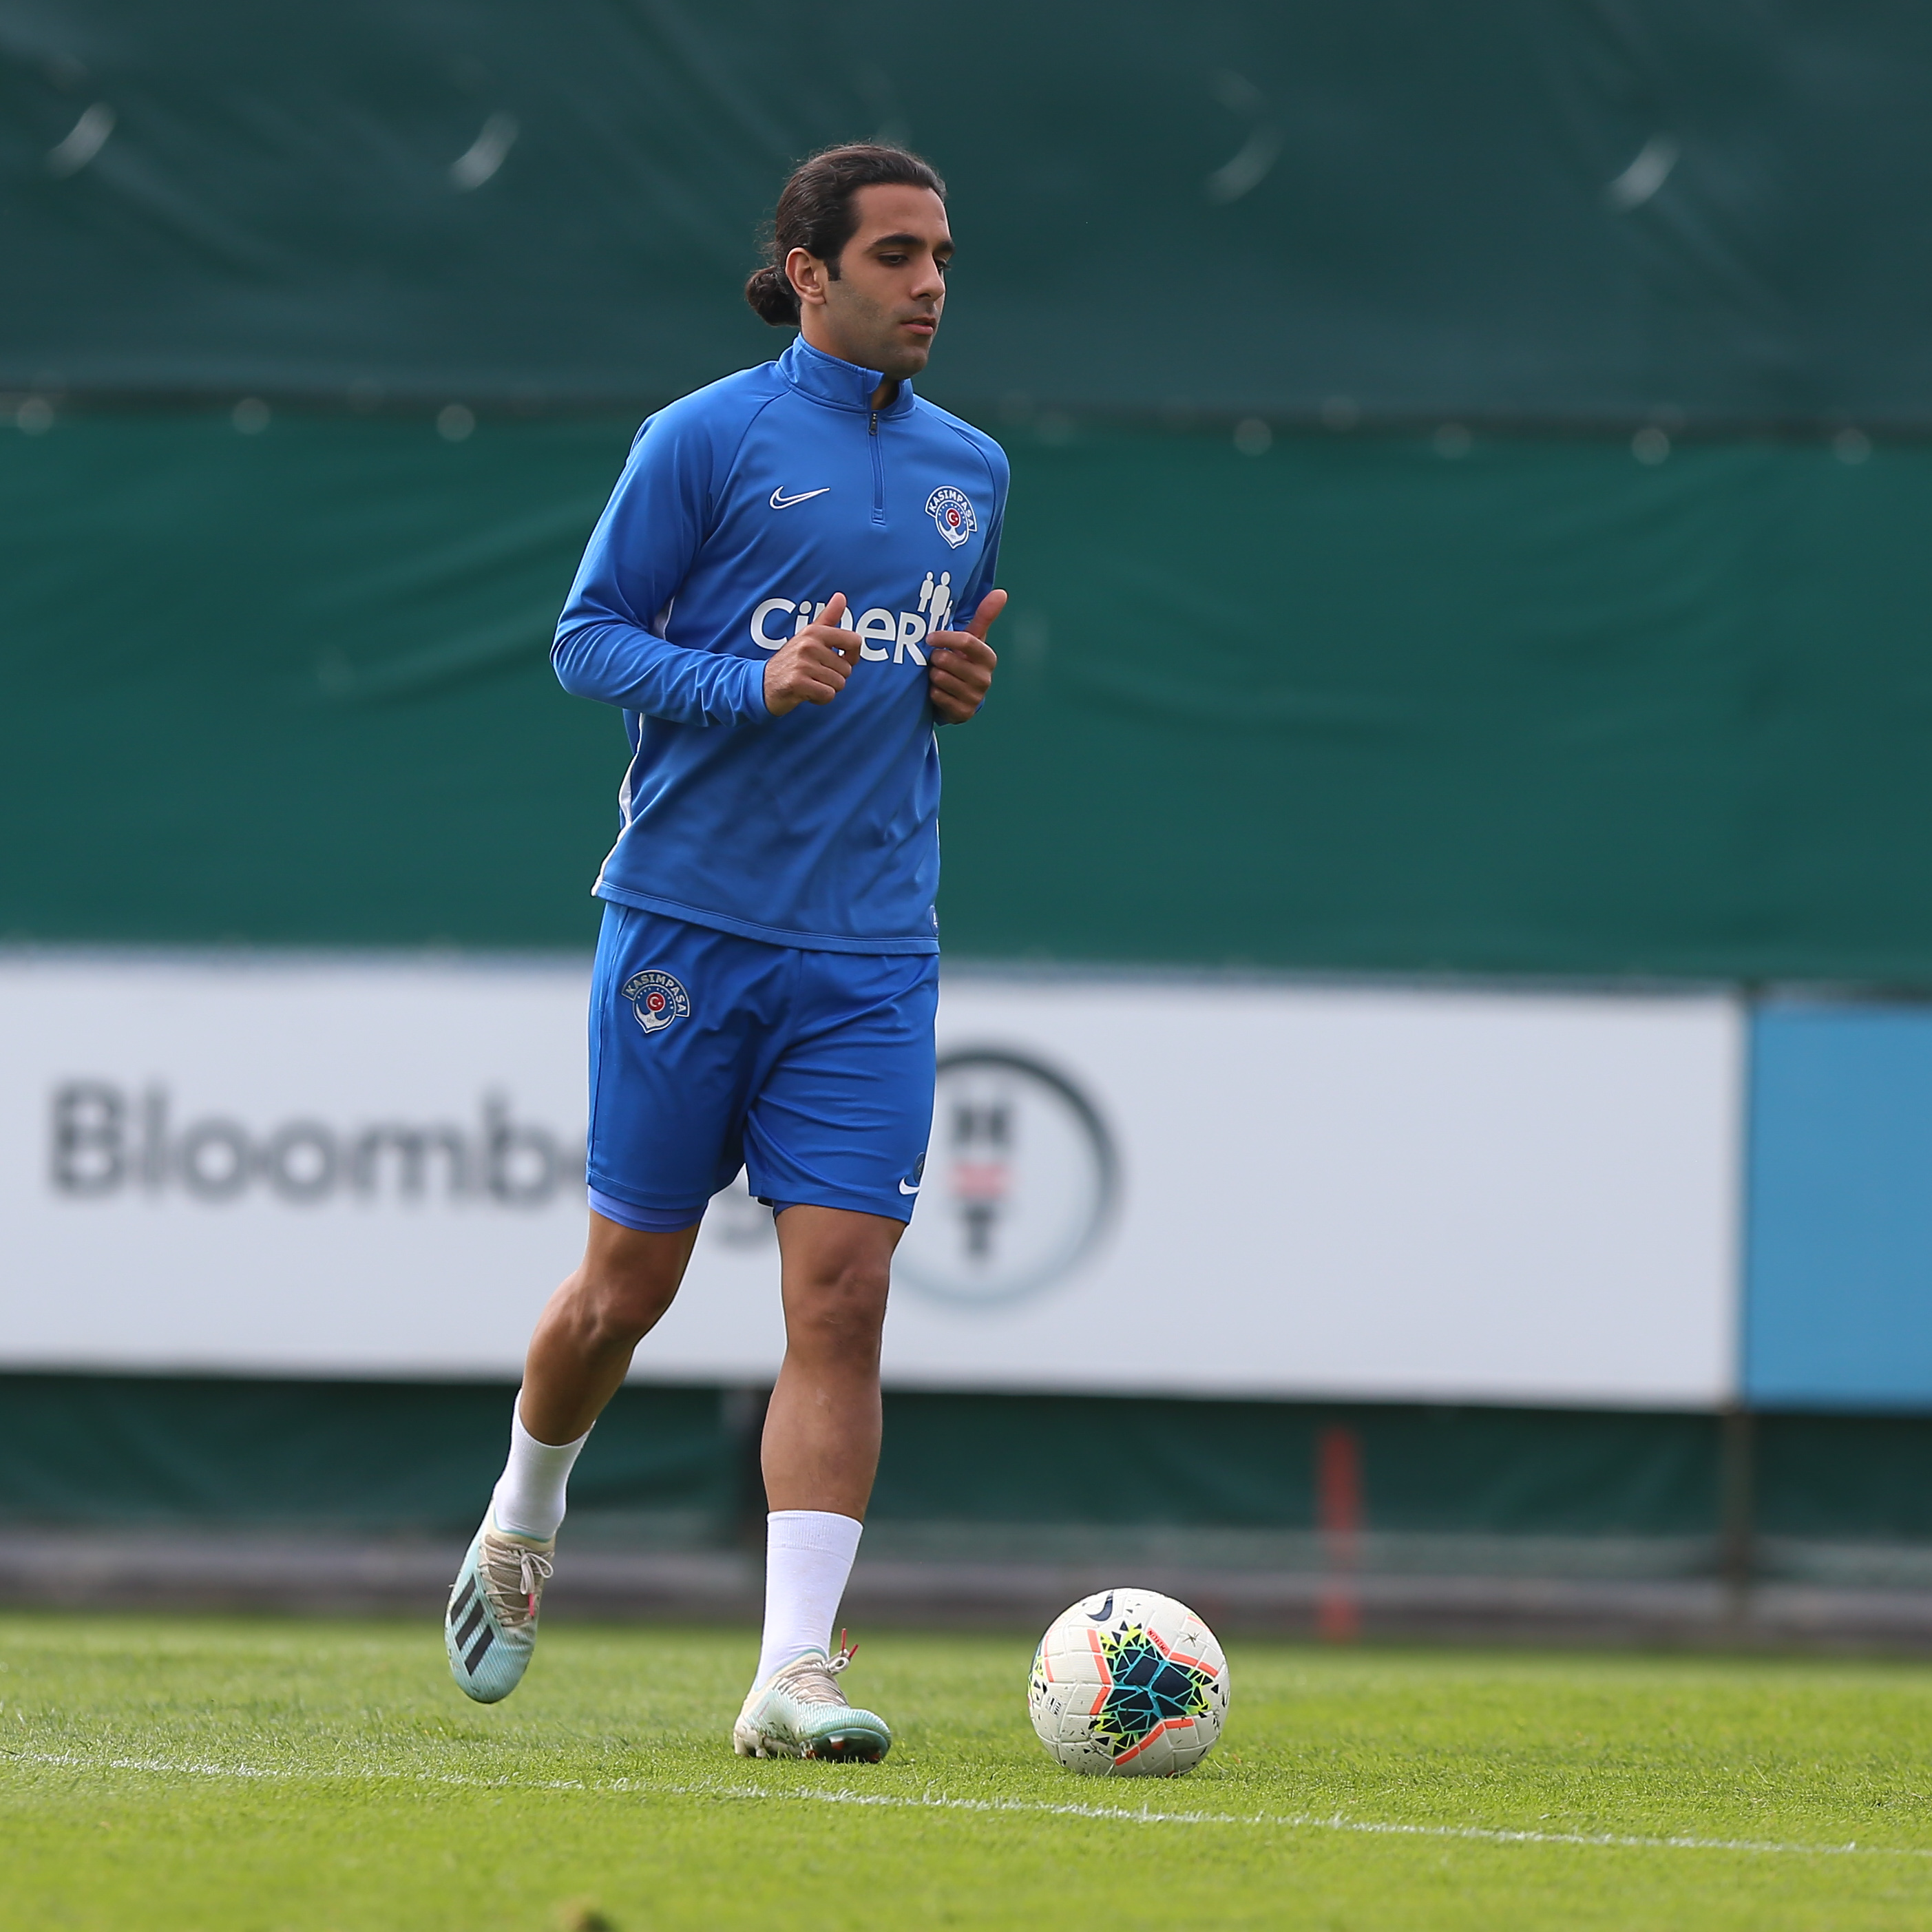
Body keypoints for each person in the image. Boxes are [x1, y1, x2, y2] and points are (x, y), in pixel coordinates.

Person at [443, 143, 1007, 1763]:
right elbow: (585, 640)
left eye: (942, 256)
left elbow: (910, 668)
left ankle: (791, 1671)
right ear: (808, 272)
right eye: (895, 254)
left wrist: (947, 686)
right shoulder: (701, 437)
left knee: (843, 1292)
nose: (929, 284)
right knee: (627, 1288)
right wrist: (745, 686)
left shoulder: (971, 467)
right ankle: (525, 1510)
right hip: (688, 927)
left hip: (871, 946)